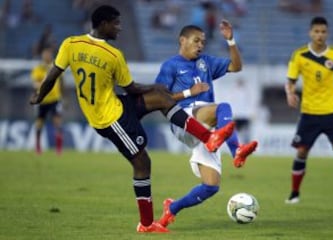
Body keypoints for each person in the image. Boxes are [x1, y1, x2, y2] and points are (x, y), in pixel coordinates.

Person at [29, 5, 235, 233]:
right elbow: (133, 88)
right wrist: (157, 87)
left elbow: (53, 75)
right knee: (142, 162)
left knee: (161, 99)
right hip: (110, 119)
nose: (119, 27)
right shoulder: (113, 55)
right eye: (116, 23)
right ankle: (146, 225)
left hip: (117, 103)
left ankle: (209, 138)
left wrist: (39, 96)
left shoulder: (70, 44)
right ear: (104, 23)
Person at [154, 22, 258, 228]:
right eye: (196, 41)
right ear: (182, 41)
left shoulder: (206, 62)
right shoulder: (170, 65)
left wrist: (230, 40)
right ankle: (236, 150)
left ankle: (170, 210)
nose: (200, 45)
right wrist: (188, 92)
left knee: (211, 186)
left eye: (203, 41)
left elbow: (236, 66)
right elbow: (158, 97)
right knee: (223, 108)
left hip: (206, 128)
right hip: (183, 118)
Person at [284, 16, 333, 204]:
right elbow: (291, 81)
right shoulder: (299, 55)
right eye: (316, 31)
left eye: (323, 31)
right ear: (310, 32)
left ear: (327, 33)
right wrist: (290, 93)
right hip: (309, 112)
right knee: (302, 152)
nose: (320, 35)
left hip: (332, 111)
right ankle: (294, 193)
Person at [31, 46, 63, 155]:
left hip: (55, 99)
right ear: (42, 55)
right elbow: (35, 84)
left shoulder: (56, 67)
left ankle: (58, 149)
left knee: (57, 123)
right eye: (45, 54)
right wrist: (44, 83)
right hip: (42, 100)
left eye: (48, 54)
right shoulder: (38, 68)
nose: (47, 56)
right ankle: (38, 147)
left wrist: (64, 97)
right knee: (39, 123)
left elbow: (61, 82)